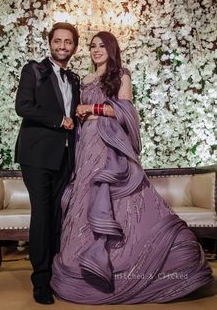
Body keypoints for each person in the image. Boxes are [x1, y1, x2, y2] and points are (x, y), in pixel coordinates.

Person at [50, 31, 213, 304]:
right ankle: (83, 264)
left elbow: (126, 111)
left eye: (102, 46)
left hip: (107, 144)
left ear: (111, 49)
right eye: (92, 46)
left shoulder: (120, 74)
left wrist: (92, 109)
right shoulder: (84, 79)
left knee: (115, 200)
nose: (96, 50)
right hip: (86, 144)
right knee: (84, 201)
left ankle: (127, 263)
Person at [15, 22, 80, 304]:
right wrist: (59, 121)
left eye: (68, 42)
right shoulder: (34, 70)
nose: (62, 46)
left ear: (74, 47)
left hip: (64, 157)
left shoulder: (75, 78)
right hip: (37, 156)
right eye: (57, 41)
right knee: (42, 214)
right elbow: (23, 106)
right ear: (50, 43)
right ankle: (40, 280)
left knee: (57, 215)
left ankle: (55, 273)